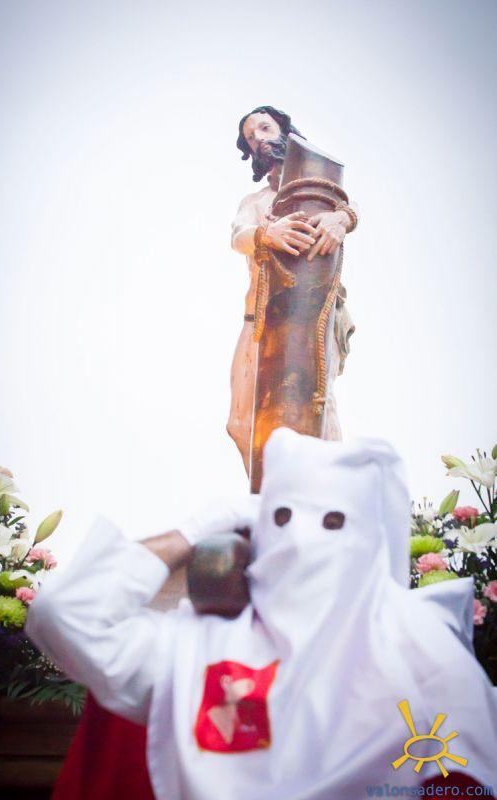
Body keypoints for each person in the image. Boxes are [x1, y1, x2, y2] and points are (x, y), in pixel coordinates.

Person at [26, 428, 496, 799]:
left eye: (332, 522)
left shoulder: (424, 659)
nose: (301, 541)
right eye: (282, 517)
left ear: (370, 544)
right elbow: (63, 614)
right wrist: (191, 531)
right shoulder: (193, 649)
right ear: (257, 529)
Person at [227, 106, 358, 473]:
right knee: (241, 420)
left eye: (265, 128)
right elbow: (238, 236)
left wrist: (341, 219)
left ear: (284, 131)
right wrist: (266, 233)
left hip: (312, 314)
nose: (259, 139)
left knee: (316, 403)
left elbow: (347, 206)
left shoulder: (319, 184)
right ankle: (265, 494)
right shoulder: (254, 202)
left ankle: (329, 488)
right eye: (251, 137)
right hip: (260, 317)